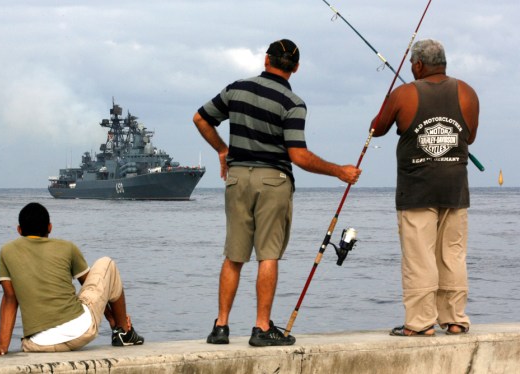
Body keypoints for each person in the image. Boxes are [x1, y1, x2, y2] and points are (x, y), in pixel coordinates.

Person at [193, 38, 361, 346]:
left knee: (234, 255)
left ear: (266, 59)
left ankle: (221, 327)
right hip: (274, 180)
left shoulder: (236, 89)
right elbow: (298, 155)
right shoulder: (292, 103)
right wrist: (339, 171)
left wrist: (221, 149)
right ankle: (261, 328)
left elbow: (200, 118)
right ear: (295, 68)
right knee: (267, 255)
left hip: (237, 177)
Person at [370, 39, 479, 337]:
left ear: (418, 65)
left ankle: (419, 324)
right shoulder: (467, 92)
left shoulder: (404, 93)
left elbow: (376, 127)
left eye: (411, 65)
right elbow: (470, 137)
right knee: (453, 255)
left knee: (419, 256)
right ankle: (455, 319)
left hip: (416, 188)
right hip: (456, 187)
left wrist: (391, 101)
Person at [0, 202, 144, 355]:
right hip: (80, 333)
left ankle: (119, 327)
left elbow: (10, 298)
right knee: (107, 263)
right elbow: (91, 286)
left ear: (19, 229)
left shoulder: (6, 251)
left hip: (37, 345)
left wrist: (2, 345)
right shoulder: (67, 247)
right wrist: (111, 318)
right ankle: (124, 331)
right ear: (50, 227)